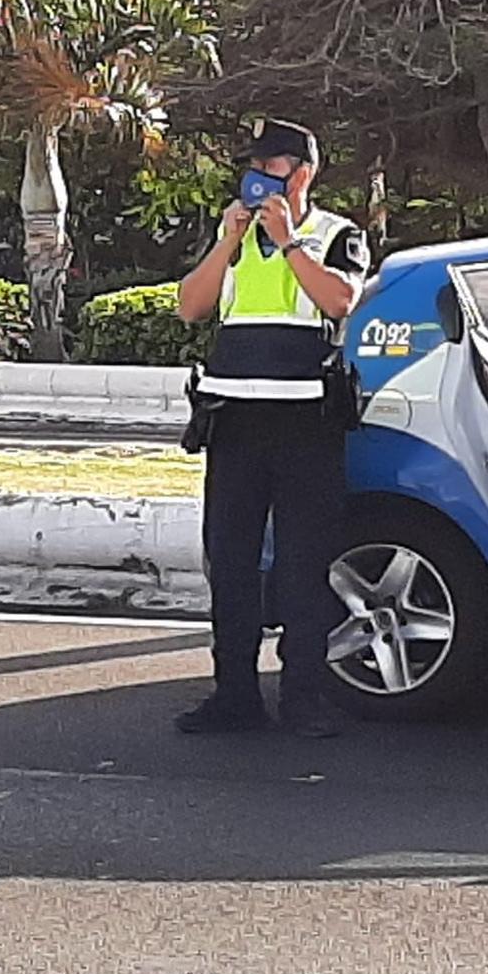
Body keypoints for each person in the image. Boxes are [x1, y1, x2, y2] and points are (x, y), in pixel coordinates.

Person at [174, 118, 371, 739]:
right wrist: (226, 244)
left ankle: (304, 698)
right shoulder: (230, 231)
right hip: (234, 422)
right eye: (253, 167)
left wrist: (289, 243)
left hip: (305, 424)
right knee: (230, 565)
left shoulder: (337, 235)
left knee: (302, 565)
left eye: (272, 168)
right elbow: (191, 306)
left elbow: (339, 301)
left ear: (303, 173)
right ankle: (234, 694)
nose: (257, 179)